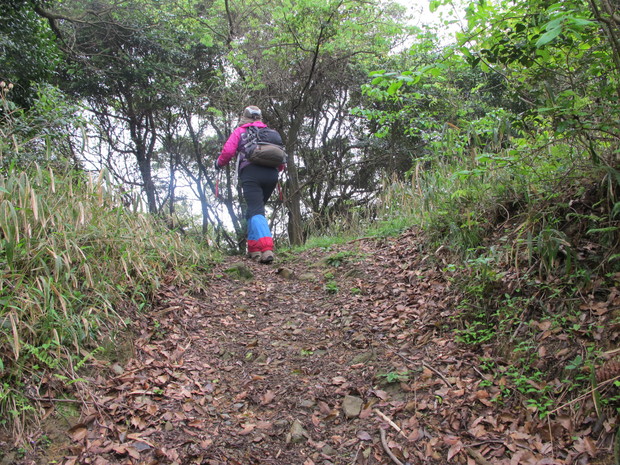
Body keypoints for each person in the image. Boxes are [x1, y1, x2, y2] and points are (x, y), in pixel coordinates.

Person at [215, 105, 284, 264]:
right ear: (260, 118)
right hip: (272, 175)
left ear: (244, 118)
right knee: (254, 211)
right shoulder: (271, 133)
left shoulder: (240, 131)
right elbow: (281, 158)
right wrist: (276, 170)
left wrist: (218, 164)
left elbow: (227, 152)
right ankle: (254, 250)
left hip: (251, 173)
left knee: (256, 210)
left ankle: (266, 249)